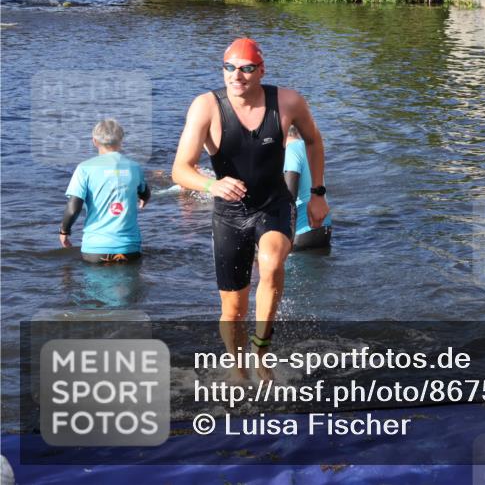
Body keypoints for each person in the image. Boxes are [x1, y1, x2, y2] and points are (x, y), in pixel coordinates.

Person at [171, 37, 329, 381]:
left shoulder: (286, 102)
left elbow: (314, 140)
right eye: (229, 68)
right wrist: (212, 184)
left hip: (273, 204)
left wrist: (317, 193)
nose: (236, 76)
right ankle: (239, 369)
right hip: (229, 215)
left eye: (245, 69)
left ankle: (261, 351)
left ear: (261, 71)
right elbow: (180, 169)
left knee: (271, 263)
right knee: (234, 307)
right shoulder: (206, 107)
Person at [61, 119, 150, 264]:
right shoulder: (134, 167)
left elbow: (73, 208)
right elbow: (145, 193)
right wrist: (143, 199)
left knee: (95, 286)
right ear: (121, 140)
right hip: (129, 248)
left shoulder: (84, 168)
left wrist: (64, 231)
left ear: (94, 141)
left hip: (95, 249)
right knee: (129, 285)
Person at [283, 125, 333, 250]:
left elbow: (289, 198)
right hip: (324, 228)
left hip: (301, 234)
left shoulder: (291, 151)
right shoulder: (310, 149)